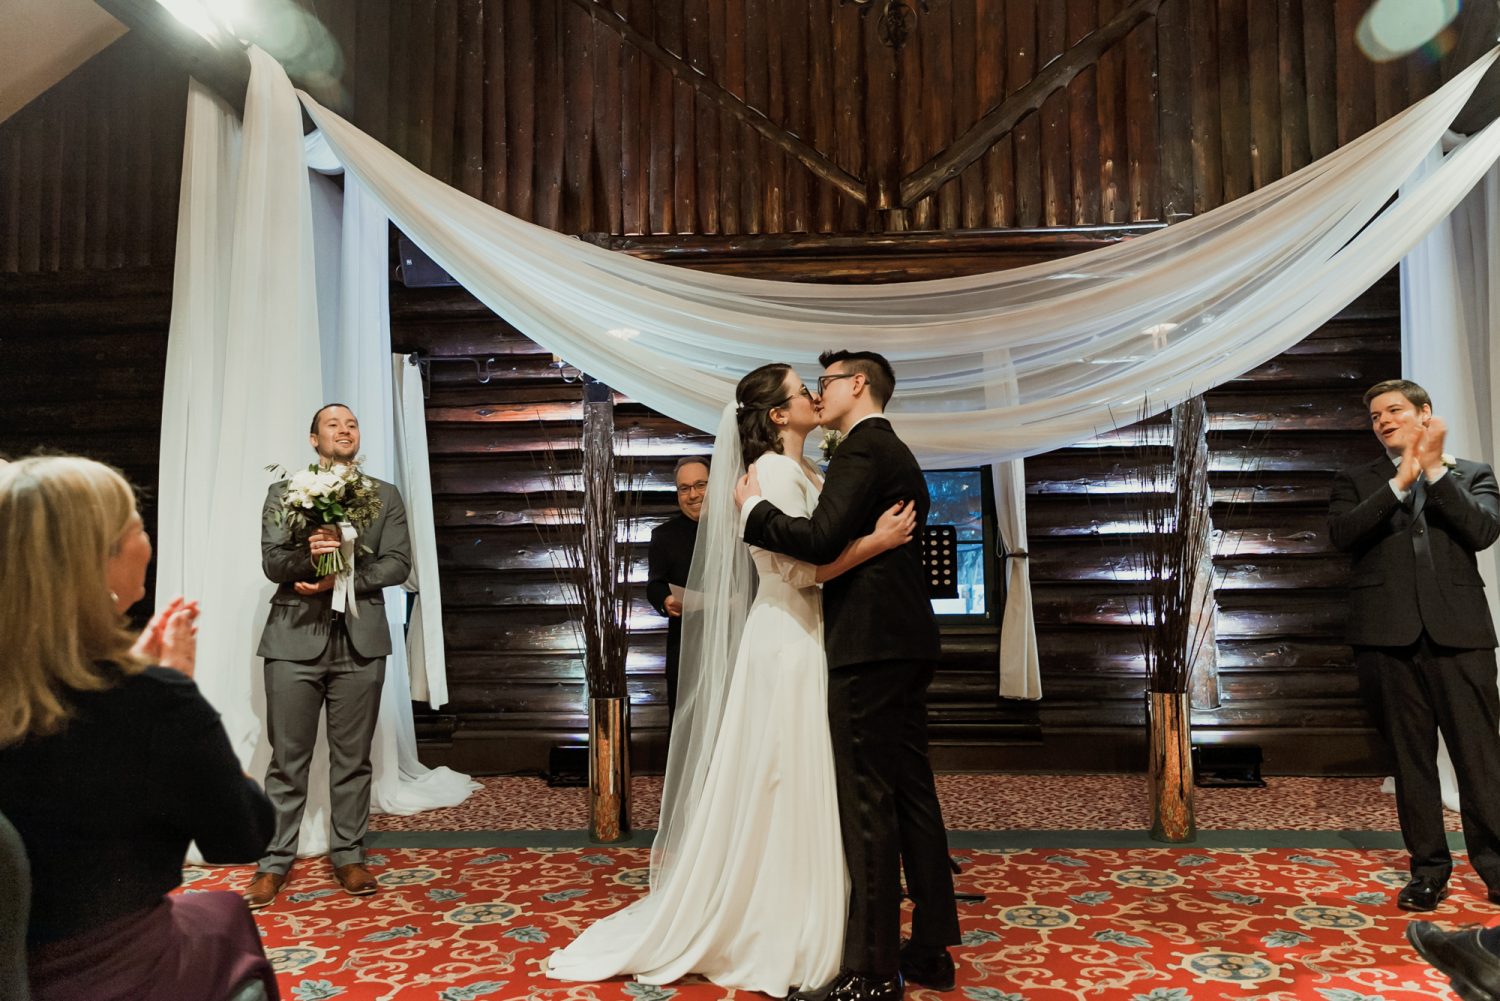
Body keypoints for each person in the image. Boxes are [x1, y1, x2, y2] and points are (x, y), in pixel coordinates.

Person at [546, 363, 916, 996]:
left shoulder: (804, 470)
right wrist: (877, 543)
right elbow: (800, 571)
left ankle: (815, 914)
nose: (813, 395)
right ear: (778, 414)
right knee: (783, 772)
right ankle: (779, 920)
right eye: (802, 390)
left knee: (798, 773)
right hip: (787, 636)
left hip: (807, 632)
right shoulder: (770, 474)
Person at [0, 455, 279, 1001]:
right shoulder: (152, 700)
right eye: (136, 526)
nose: (146, 542)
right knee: (224, 914)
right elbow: (243, 835)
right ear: (96, 560)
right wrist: (179, 696)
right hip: (104, 973)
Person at [735, 350, 962, 1001]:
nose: (818, 392)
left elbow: (817, 540)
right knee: (911, 794)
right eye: (807, 387)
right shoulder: (880, 450)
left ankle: (872, 968)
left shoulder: (863, 448)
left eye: (825, 381)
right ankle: (930, 949)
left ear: (857, 383)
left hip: (869, 646)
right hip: (903, 641)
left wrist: (752, 512)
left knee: (869, 803)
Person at [1328, 378, 1500, 912]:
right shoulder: (1356, 480)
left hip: (1461, 635)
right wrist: (1399, 483)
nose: (1383, 420)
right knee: (1411, 760)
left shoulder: (1472, 473)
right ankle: (1428, 871)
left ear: (1425, 413)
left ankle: (1497, 868)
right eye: (1375, 416)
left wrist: (1432, 473)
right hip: (1386, 637)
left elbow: (1482, 531)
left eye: (1394, 410)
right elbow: (1343, 535)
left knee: (1480, 758)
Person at [245, 403, 412, 910]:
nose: (345, 430)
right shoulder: (285, 491)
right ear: (314, 439)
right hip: (293, 640)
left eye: (352, 424)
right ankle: (274, 862)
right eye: (333, 424)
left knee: (353, 758)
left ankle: (349, 856)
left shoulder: (384, 495)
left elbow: (398, 564)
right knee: (287, 759)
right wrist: (309, 560)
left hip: (361, 642)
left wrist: (340, 580)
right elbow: (273, 560)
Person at [646, 455, 710, 718]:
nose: (693, 495)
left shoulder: (735, 529)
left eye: (700, 485)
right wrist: (665, 600)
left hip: (733, 645)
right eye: (684, 488)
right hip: (685, 648)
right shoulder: (664, 535)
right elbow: (655, 584)